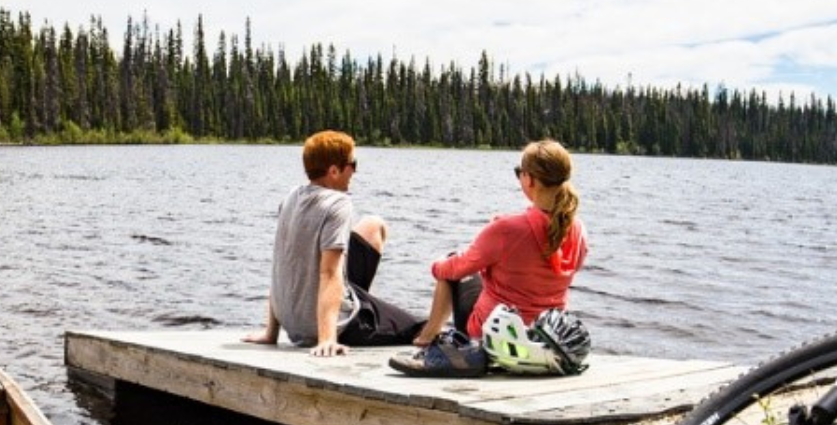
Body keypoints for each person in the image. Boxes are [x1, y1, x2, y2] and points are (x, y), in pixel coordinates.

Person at [244, 130, 424, 357]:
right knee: (422, 329)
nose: (355, 171)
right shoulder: (338, 204)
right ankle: (354, 315)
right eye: (352, 164)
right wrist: (327, 339)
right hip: (327, 327)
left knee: (373, 226)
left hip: (292, 323)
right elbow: (329, 273)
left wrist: (271, 332)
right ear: (334, 171)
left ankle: (359, 301)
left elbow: (281, 263)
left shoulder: (291, 196)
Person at [404, 138, 588, 355]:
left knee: (450, 264)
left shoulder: (506, 228)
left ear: (530, 180)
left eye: (520, 172)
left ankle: (426, 338)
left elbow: (457, 268)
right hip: (544, 336)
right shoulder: (578, 230)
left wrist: (436, 267)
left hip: (492, 333)